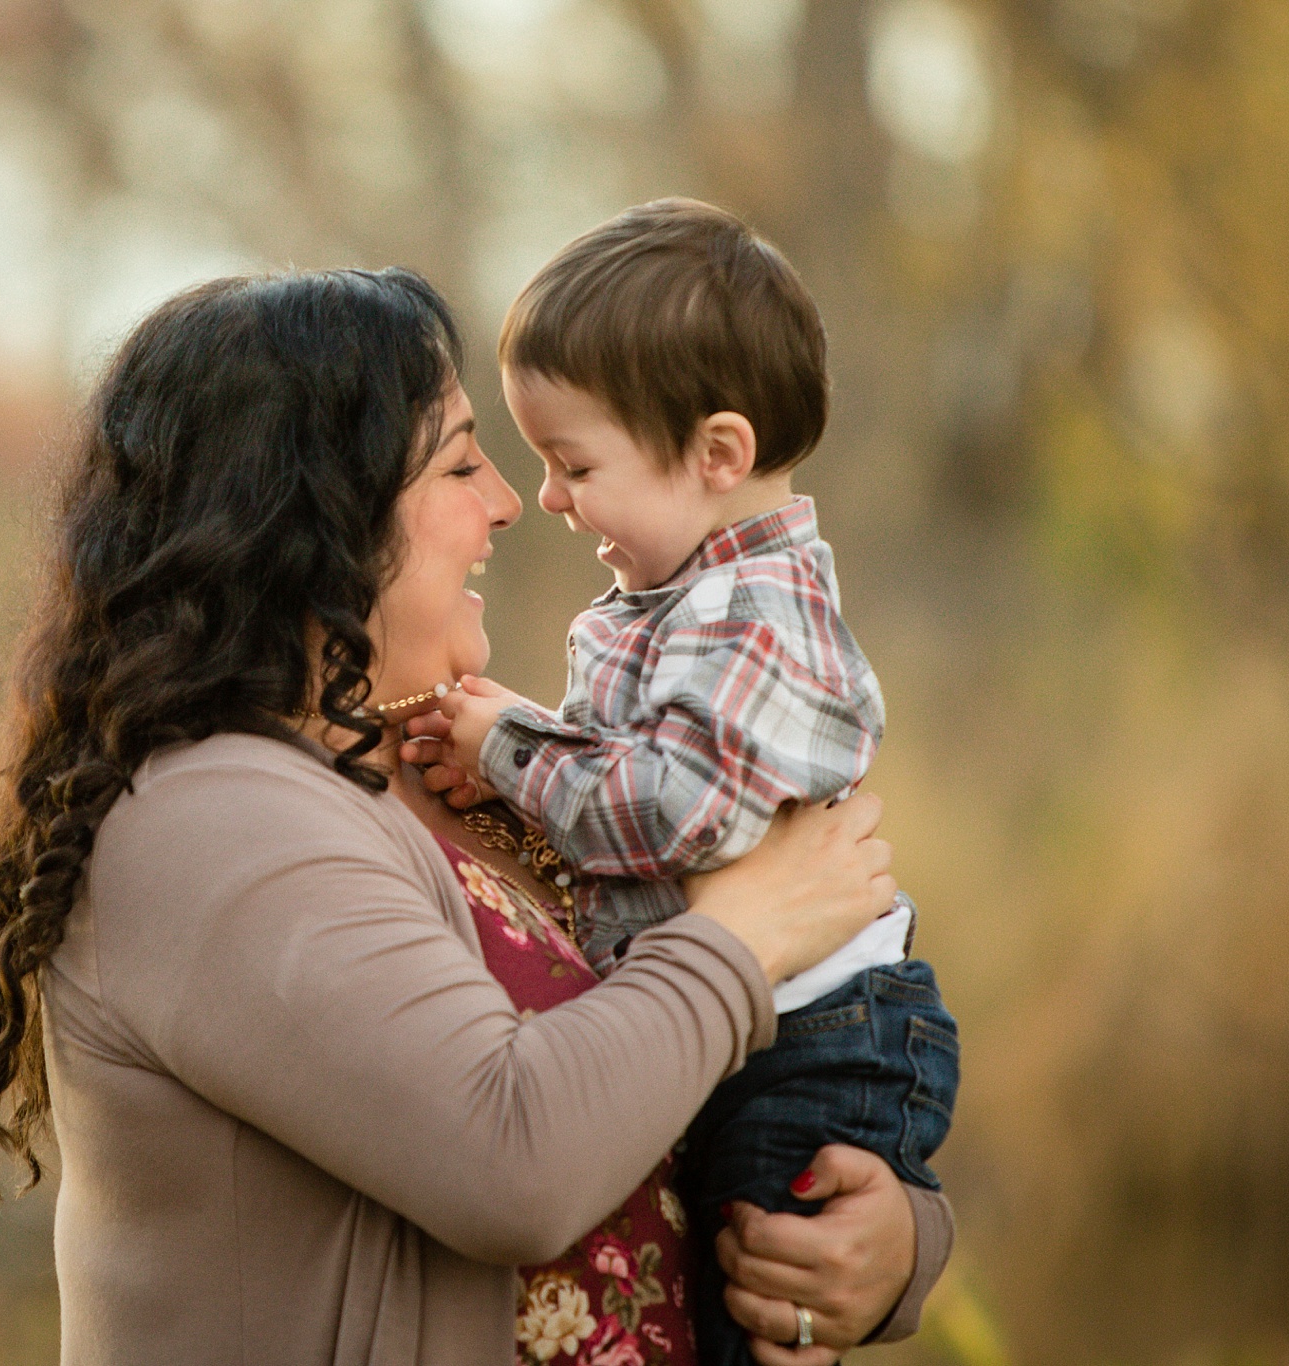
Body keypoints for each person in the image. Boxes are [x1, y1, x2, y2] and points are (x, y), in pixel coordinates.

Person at [0, 265, 950, 1366]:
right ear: (309, 517)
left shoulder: (446, 766)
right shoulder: (206, 822)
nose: (511, 501)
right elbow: (512, 1158)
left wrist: (886, 1246)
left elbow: (665, 1091)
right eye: (460, 461)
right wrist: (747, 933)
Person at [407, 199, 959, 1366]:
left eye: (572, 464)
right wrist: (511, 769)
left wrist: (508, 747)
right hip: (759, 1021)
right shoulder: (678, 600)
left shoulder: (752, 615)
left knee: (750, 1314)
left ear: (715, 454)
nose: (543, 498)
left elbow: (669, 810)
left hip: (816, 1036)